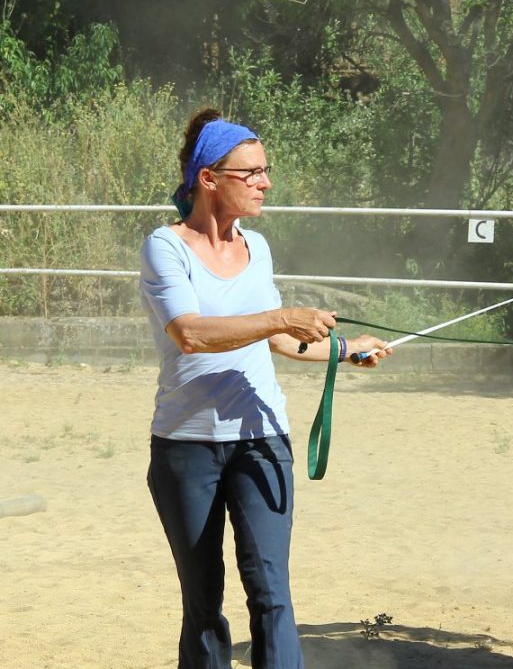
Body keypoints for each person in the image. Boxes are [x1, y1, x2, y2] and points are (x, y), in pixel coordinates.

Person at [139, 107, 389, 668]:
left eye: (264, 171)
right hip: (186, 446)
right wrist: (282, 317)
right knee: (203, 602)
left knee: (272, 593)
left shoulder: (258, 247)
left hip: (262, 439)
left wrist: (346, 349)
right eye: (251, 172)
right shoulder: (166, 247)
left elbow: (276, 339)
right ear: (209, 178)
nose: (265, 183)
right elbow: (191, 334)